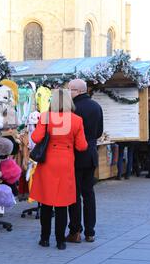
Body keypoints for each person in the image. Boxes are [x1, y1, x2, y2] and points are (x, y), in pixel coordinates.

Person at [29, 88, 87, 250]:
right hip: (66, 163)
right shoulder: (76, 120)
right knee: (62, 204)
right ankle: (60, 241)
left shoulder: (46, 117)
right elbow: (82, 146)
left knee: (46, 202)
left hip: (48, 163)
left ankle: (44, 239)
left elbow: (35, 138)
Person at [66, 79, 103, 243]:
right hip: (91, 154)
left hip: (74, 155)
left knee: (74, 195)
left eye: (69, 90)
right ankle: (90, 231)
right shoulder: (96, 106)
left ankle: (75, 231)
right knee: (89, 194)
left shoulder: (72, 109)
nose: (68, 93)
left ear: (77, 91)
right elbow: (99, 132)